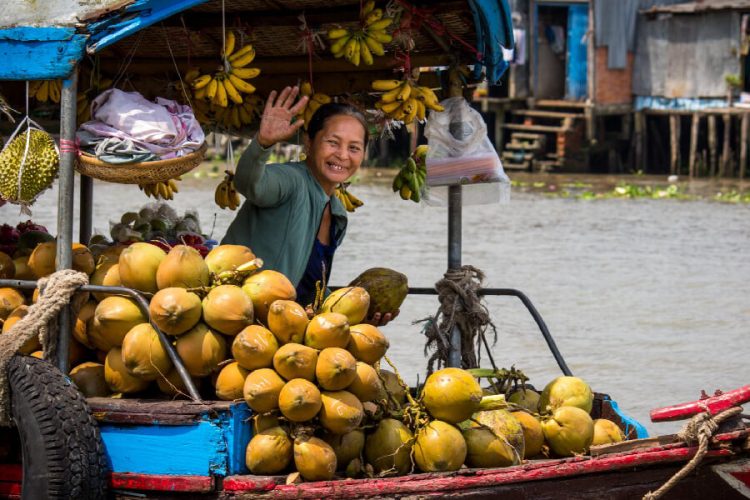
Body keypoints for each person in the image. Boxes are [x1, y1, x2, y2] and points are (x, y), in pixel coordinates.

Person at [222, 86, 396, 325]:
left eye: (354, 148)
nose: (343, 155)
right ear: (309, 142)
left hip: (280, 327)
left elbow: (309, 288)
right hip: (234, 314)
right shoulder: (292, 181)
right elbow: (249, 184)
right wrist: (262, 144)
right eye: (333, 143)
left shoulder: (337, 214)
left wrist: (358, 313)